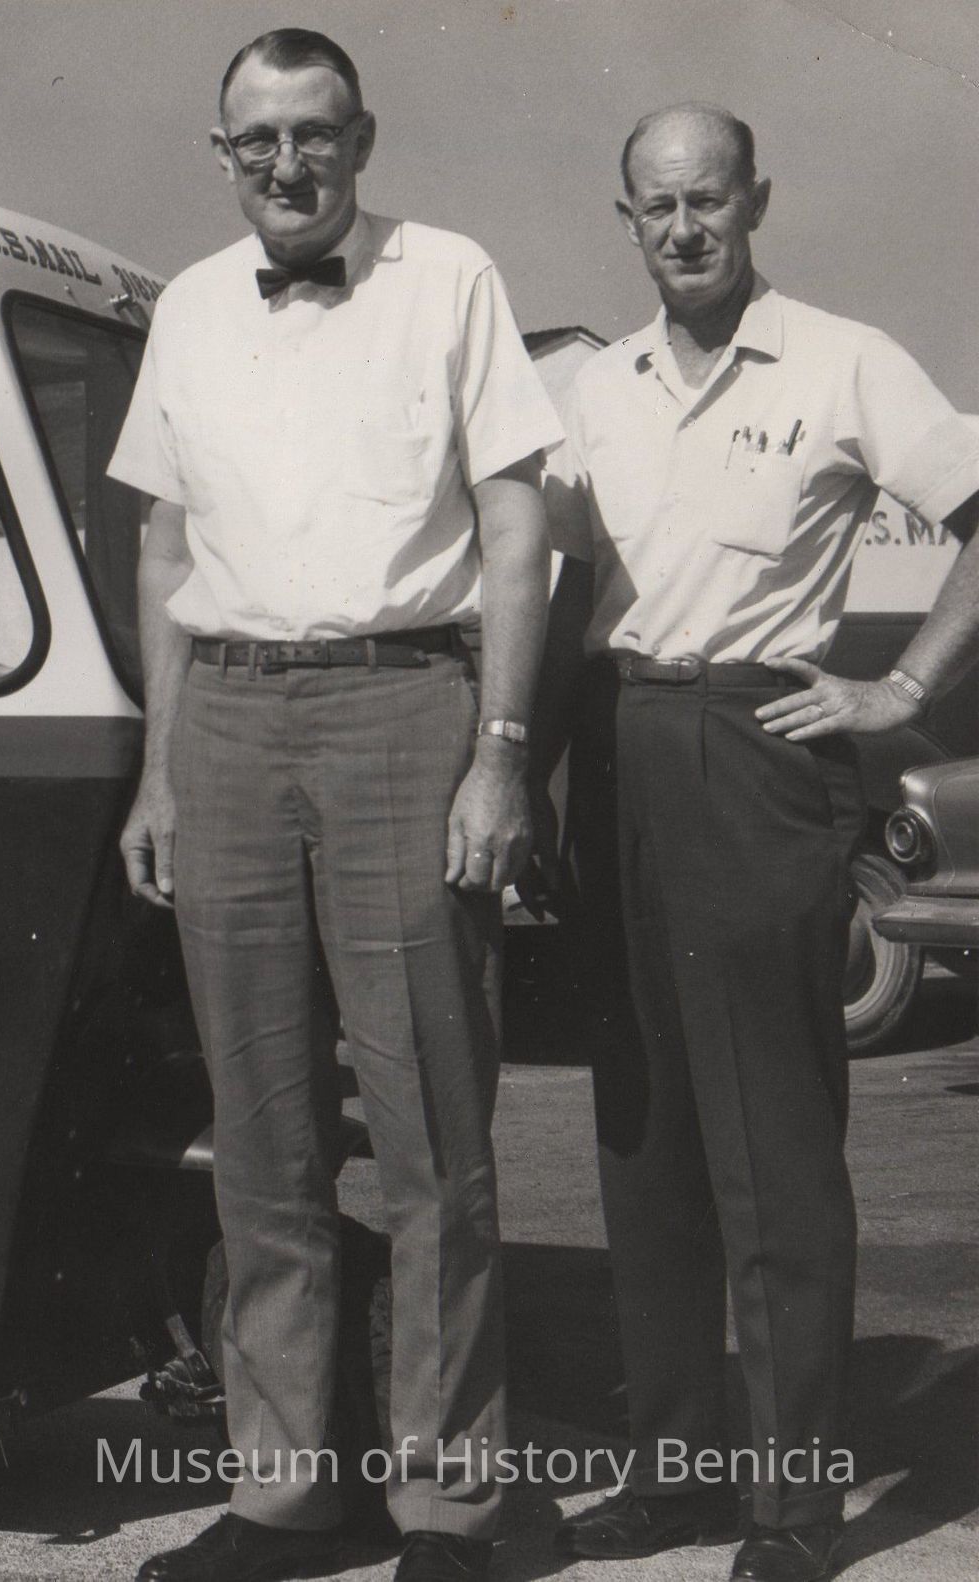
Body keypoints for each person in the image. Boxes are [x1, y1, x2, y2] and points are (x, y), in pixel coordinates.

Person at [110, 28, 562, 1582]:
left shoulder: (450, 279)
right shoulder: (187, 308)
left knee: (435, 1134)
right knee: (260, 1134)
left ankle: (448, 1507)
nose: (287, 165)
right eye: (258, 141)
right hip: (228, 723)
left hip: (403, 708)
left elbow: (516, 532)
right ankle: (287, 1493)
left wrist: (500, 752)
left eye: (315, 134)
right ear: (221, 154)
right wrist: (162, 767)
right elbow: (164, 552)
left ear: (362, 141)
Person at [537, 103, 979, 1582]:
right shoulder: (597, 387)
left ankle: (791, 1509)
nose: (684, 229)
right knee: (645, 1138)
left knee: (774, 1151)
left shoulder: (845, 361)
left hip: (756, 748)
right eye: (657, 206)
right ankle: (674, 1476)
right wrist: (528, 769)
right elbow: (564, 583)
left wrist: (901, 689)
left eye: (709, 200)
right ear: (628, 219)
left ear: (756, 202)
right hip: (615, 747)